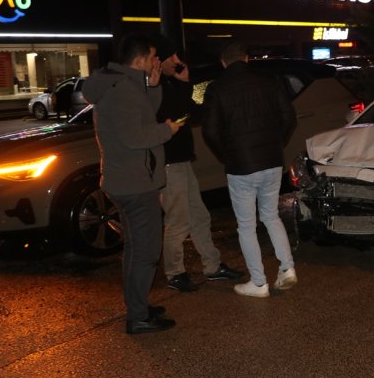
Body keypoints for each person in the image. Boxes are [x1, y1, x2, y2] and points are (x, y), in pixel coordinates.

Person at [82, 34, 182, 334]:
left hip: (127, 180)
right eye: (153, 56)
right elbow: (136, 137)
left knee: (136, 250)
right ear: (139, 60)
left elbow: (143, 116)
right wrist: (167, 130)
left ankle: (138, 307)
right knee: (147, 252)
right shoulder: (122, 89)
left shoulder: (124, 84)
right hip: (135, 185)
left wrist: (152, 85)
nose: (157, 61)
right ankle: (138, 317)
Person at [202, 42, 298, 298]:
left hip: (241, 166)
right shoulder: (269, 81)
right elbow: (289, 117)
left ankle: (258, 283)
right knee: (271, 216)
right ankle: (287, 268)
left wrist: (226, 154)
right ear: (247, 58)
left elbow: (209, 131)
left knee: (246, 225)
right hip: (271, 160)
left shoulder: (217, 88)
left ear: (223, 63)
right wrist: (277, 143)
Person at [152, 34, 245, 293]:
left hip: (181, 161)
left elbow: (195, 109)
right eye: (173, 56)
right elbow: (181, 112)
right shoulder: (155, 87)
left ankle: (212, 266)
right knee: (178, 221)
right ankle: (175, 273)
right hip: (169, 164)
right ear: (159, 59)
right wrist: (184, 84)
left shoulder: (171, 84)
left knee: (199, 216)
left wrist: (184, 83)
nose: (178, 60)